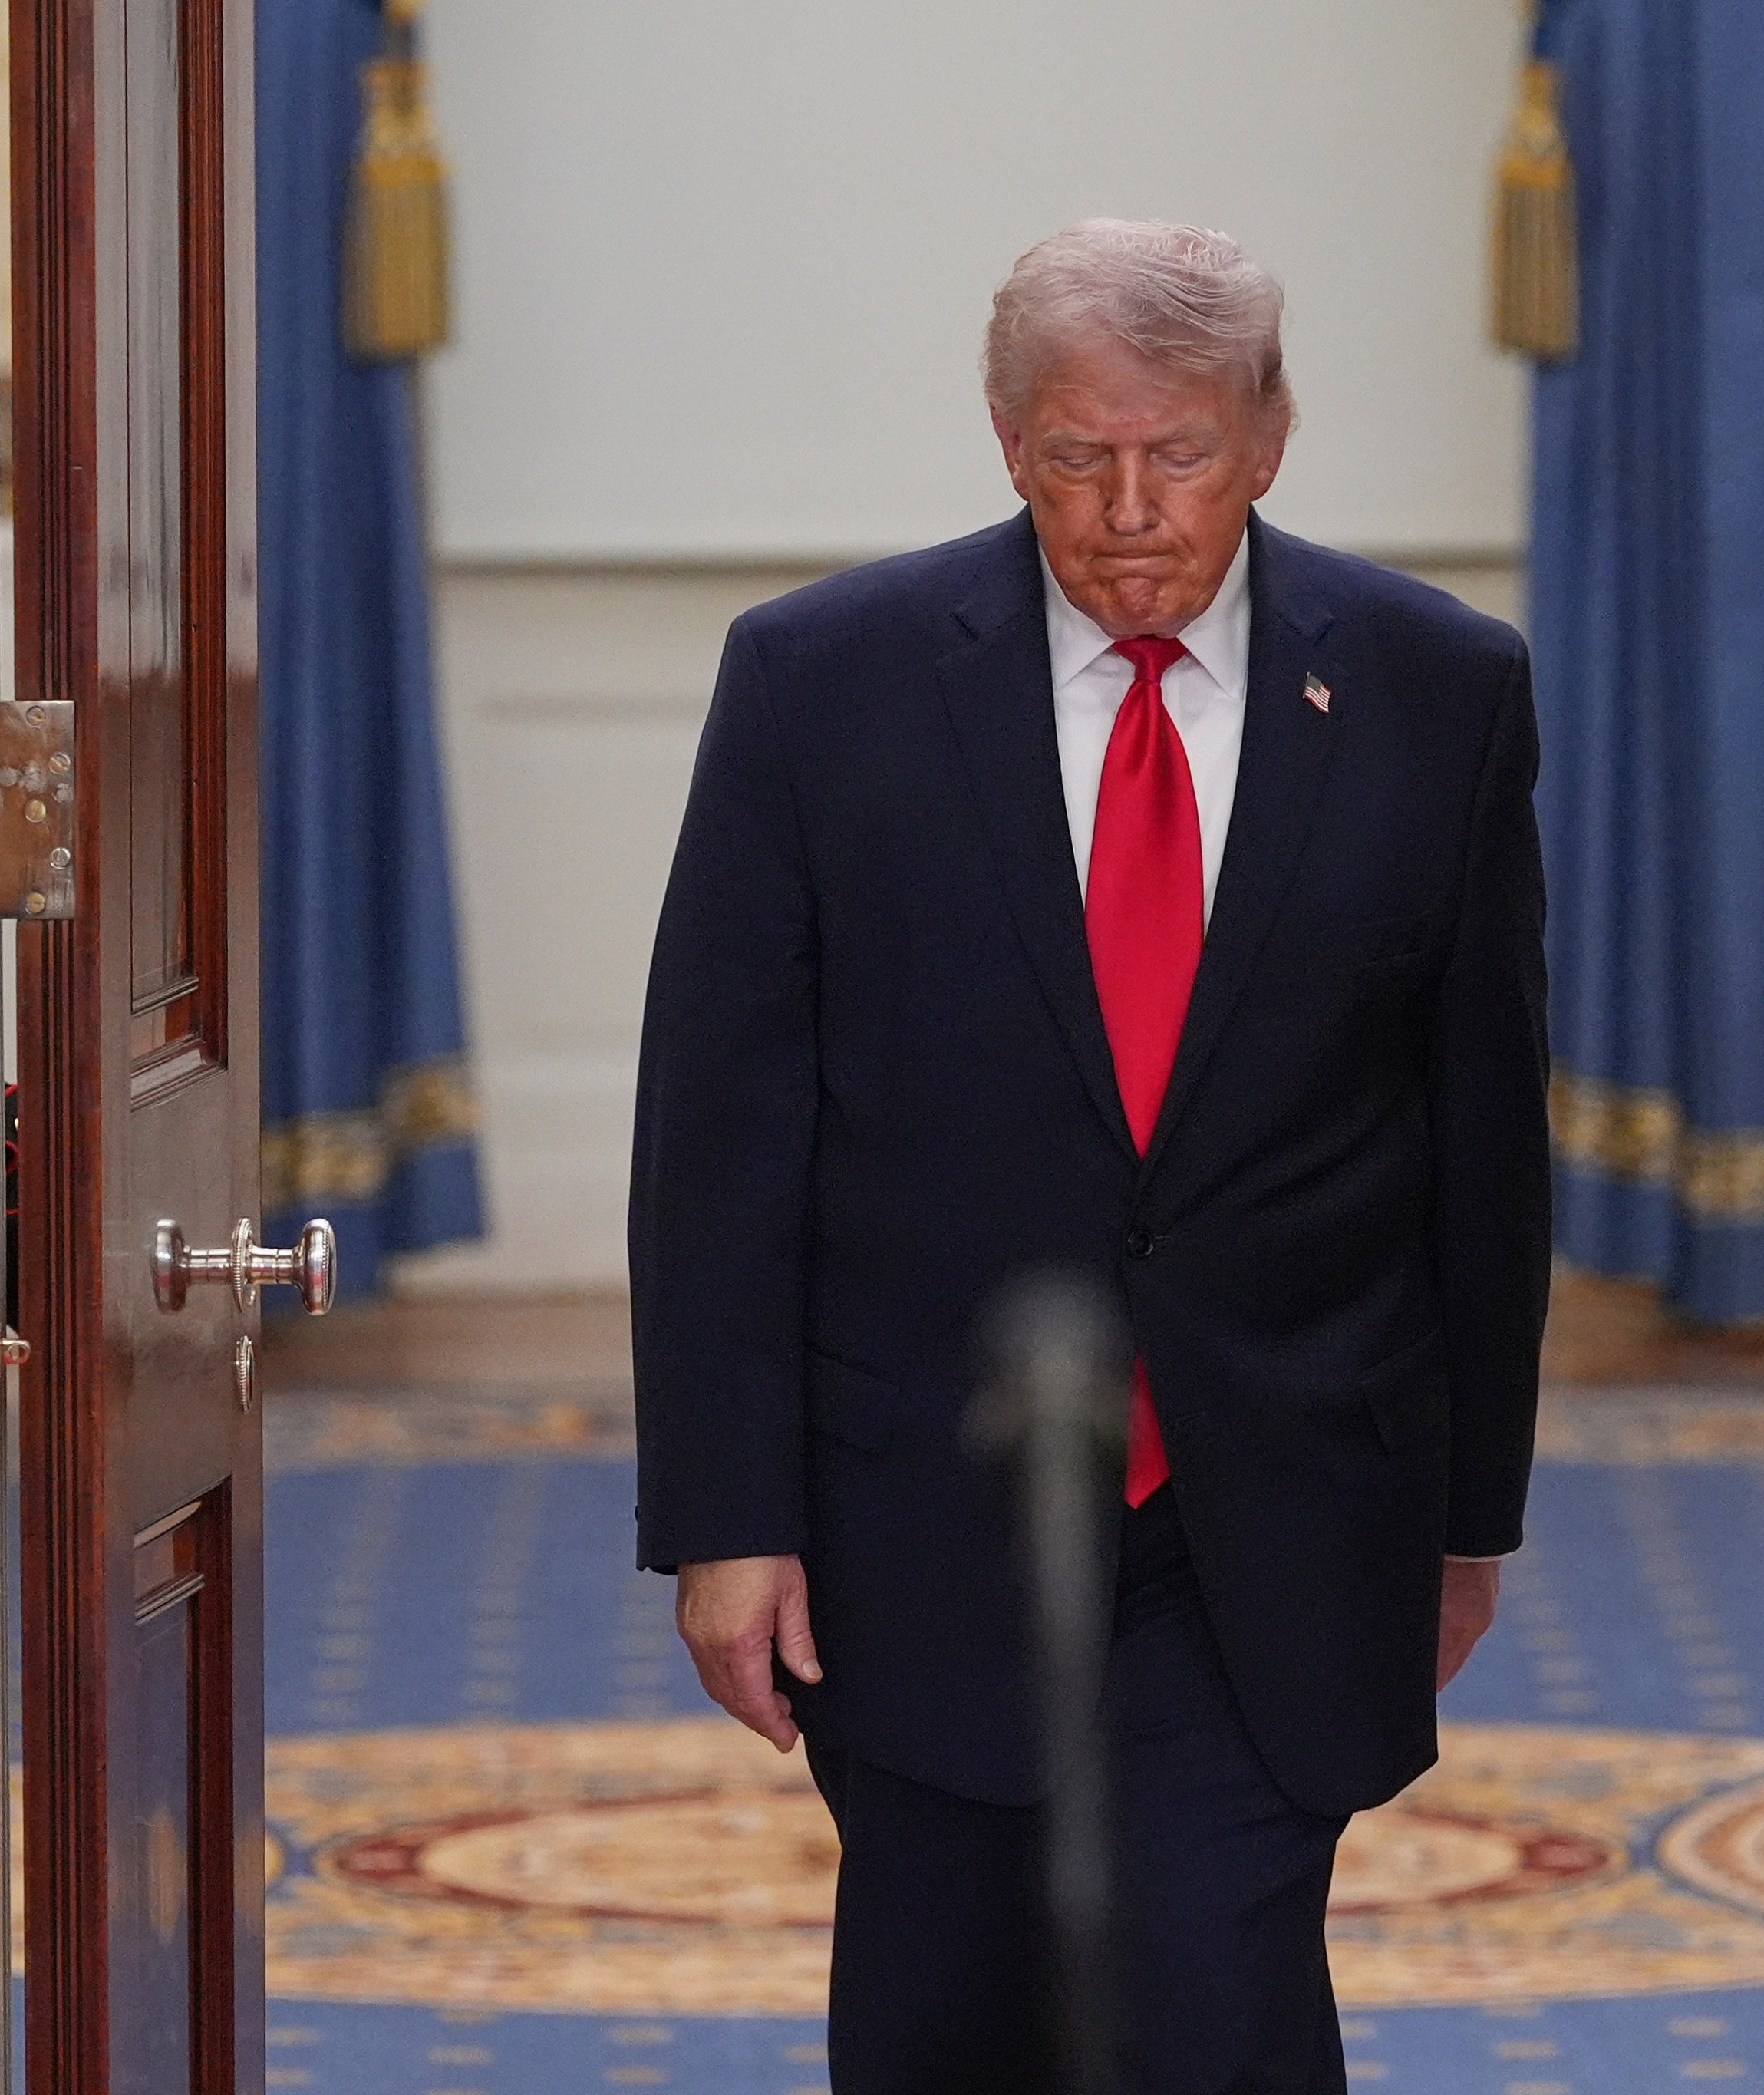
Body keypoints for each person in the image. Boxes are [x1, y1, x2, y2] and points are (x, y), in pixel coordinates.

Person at [629, 219, 1551, 2094]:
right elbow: (719, 1136)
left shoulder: (1434, 688)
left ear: (1270, 436)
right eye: (1077, 456)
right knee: (942, 2012)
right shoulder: (820, 683)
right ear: (1004, 442)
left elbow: (1480, 1139)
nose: (1129, 509)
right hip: (919, 1505)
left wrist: (1469, 1514)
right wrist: (726, 1521)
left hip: (1276, 1513)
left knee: (1202, 2001)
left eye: (1180, 452)